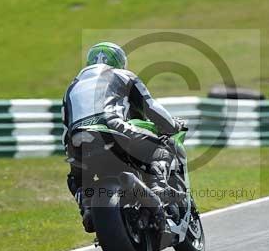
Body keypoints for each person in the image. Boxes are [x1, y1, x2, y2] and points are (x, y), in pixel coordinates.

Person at [62, 42, 184, 233]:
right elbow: (150, 107)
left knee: (75, 178)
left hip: (77, 139)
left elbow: (65, 123)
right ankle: (158, 187)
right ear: (119, 61)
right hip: (112, 129)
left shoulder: (72, 87)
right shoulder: (123, 75)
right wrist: (172, 125)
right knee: (163, 149)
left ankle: (86, 206)